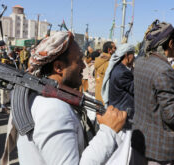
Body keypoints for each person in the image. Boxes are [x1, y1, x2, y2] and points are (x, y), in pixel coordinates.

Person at [16, 31, 127, 164]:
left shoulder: (41, 97)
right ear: (58, 67)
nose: (83, 65)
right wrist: (109, 132)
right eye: (78, 60)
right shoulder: (54, 110)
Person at [132, 21, 174, 164]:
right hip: (158, 148)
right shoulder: (164, 69)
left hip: (140, 141)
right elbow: (172, 115)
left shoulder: (141, 61)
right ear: (170, 44)